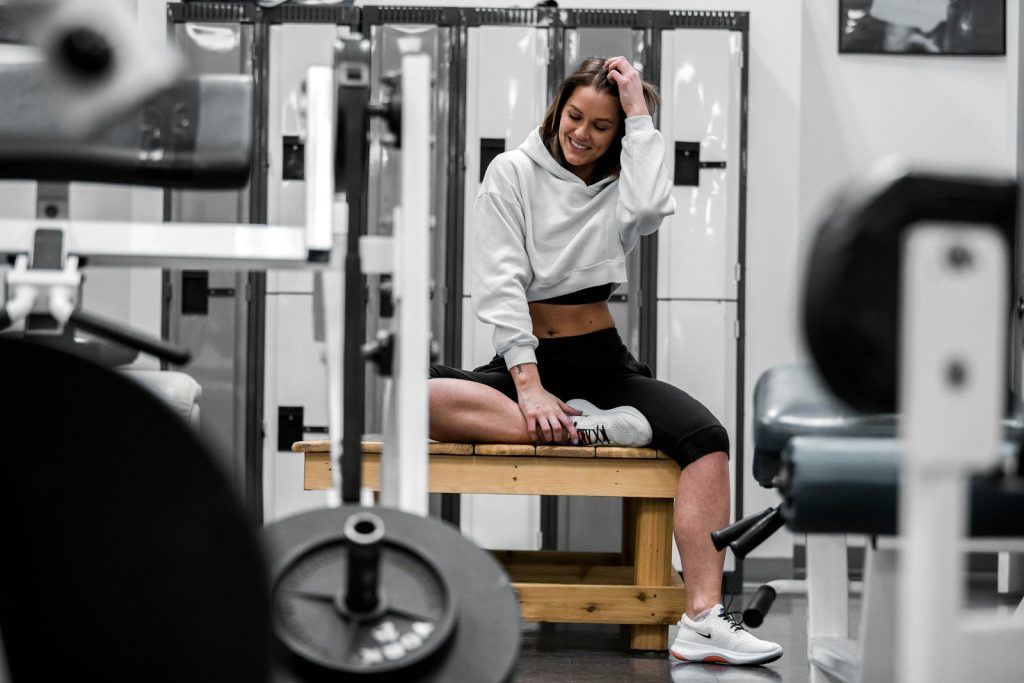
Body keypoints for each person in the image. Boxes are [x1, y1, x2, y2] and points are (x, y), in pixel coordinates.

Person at [429, 56, 782, 665]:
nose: (582, 134)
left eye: (602, 125)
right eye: (574, 117)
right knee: (419, 398)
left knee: (708, 439)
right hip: (529, 363)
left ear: (618, 133)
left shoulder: (623, 180)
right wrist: (530, 385)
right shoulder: (510, 172)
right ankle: (585, 426)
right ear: (556, 110)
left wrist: (640, 115)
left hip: (601, 361)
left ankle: (702, 618)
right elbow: (500, 285)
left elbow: (649, 209)